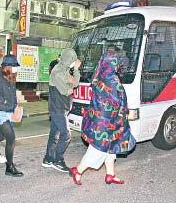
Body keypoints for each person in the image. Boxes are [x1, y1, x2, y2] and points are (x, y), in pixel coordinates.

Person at [69, 45, 136, 186]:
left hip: (100, 119)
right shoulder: (111, 79)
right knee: (98, 148)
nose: (119, 65)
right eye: (117, 62)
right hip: (107, 122)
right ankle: (78, 170)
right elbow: (117, 102)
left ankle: (110, 175)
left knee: (110, 147)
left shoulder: (99, 77)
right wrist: (125, 115)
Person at [42, 48, 81, 172]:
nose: (74, 63)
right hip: (57, 108)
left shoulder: (63, 69)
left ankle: (48, 159)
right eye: (73, 60)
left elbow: (73, 83)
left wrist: (72, 78)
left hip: (60, 108)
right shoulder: (58, 71)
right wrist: (75, 72)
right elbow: (68, 89)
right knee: (66, 135)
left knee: (55, 134)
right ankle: (58, 160)